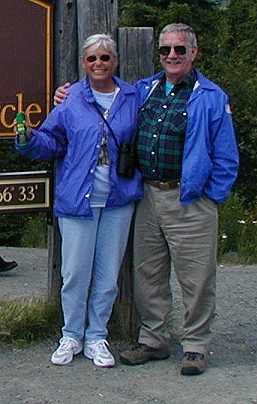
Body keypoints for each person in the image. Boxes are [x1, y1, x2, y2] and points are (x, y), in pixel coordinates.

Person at [54, 23, 239, 375]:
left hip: (190, 198)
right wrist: (66, 94)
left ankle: (195, 345)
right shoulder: (143, 90)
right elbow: (105, 96)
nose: (172, 55)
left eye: (179, 50)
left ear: (193, 53)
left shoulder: (211, 96)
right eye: (165, 50)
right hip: (147, 197)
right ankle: (154, 339)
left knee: (196, 277)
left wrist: (210, 197)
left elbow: (227, 157)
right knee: (148, 275)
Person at [16, 34, 143, 368]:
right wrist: (28, 138)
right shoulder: (70, 99)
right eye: (92, 59)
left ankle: (96, 336)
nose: (98, 64)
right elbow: (51, 141)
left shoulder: (133, 96)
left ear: (115, 60)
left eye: (105, 57)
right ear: (84, 64)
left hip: (118, 198)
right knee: (74, 273)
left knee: (107, 275)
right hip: (77, 200)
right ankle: (71, 334)